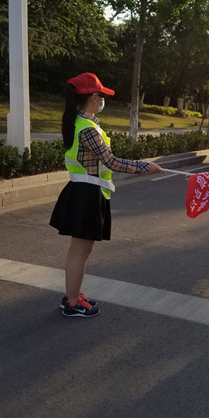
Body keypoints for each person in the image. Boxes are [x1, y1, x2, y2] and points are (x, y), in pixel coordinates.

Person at [50, 72, 165, 317]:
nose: (103, 100)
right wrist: (145, 167)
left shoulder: (79, 121)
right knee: (80, 251)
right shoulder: (87, 129)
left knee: (79, 250)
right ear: (93, 97)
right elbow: (111, 162)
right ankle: (72, 303)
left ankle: (72, 295)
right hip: (87, 193)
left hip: (84, 190)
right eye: (101, 96)